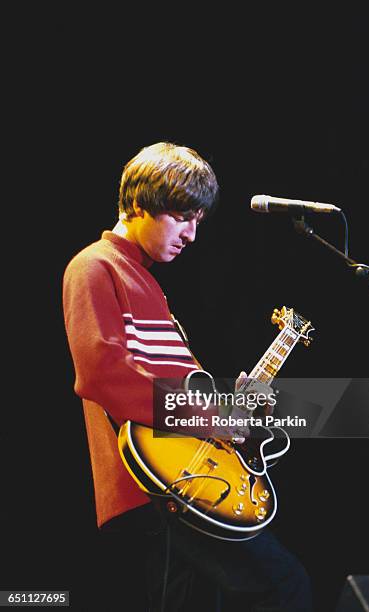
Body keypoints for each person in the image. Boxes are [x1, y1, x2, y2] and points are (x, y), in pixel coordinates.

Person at [63, 142, 313, 611]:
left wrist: (228, 407)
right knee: (286, 583)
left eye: (198, 221)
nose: (192, 234)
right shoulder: (94, 265)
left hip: (185, 478)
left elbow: (175, 388)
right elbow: (101, 373)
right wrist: (205, 419)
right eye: (183, 217)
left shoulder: (148, 284)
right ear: (139, 204)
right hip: (154, 487)